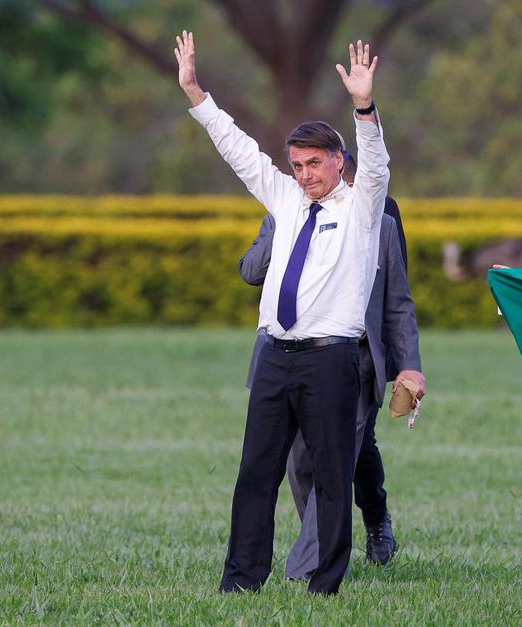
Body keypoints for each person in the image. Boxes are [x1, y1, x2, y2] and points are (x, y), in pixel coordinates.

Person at [176, 31, 388, 595]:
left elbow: (376, 166)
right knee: (255, 475)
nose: (305, 174)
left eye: (315, 164)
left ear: (337, 162)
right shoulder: (287, 199)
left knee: (330, 477)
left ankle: (325, 583)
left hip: (330, 359)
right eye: (297, 165)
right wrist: (195, 92)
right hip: (275, 355)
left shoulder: (362, 208)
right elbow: (238, 148)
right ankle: (242, 580)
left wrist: (364, 108)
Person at [239, 148, 424, 579]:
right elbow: (249, 271)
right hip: (293, 357)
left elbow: (397, 299)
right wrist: (280, 229)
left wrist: (407, 365)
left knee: (341, 453)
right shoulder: (286, 210)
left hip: (355, 359)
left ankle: (308, 564)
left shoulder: (380, 217)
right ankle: (356, 522)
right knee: (306, 461)